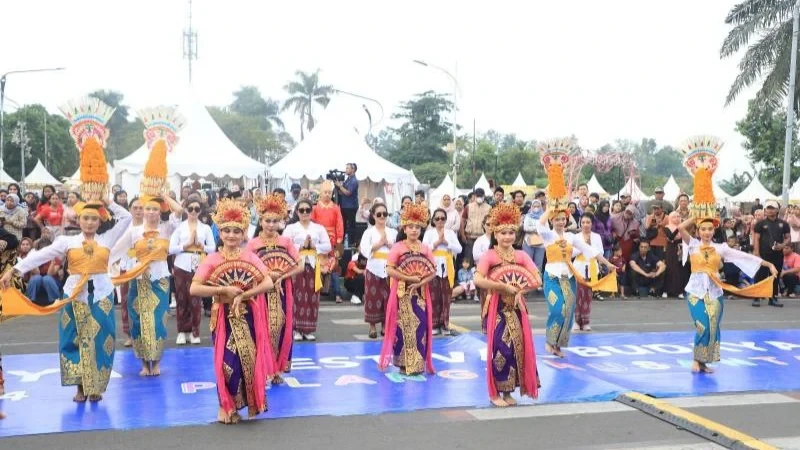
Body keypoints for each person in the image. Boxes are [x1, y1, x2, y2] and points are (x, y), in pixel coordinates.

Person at [0, 96, 132, 403]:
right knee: (73, 340)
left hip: (100, 294)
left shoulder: (107, 240)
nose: (88, 222)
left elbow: (125, 217)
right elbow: (40, 255)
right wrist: (14, 269)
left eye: (92, 217)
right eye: (84, 217)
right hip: (73, 293)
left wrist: (103, 197)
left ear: (98, 219)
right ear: (78, 219)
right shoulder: (67, 242)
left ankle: (95, 385)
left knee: (101, 339)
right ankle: (79, 387)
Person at [677, 135, 778, 373]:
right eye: (703, 228)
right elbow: (680, 228)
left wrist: (768, 264)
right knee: (702, 324)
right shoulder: (691, 244)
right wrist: (698, 213)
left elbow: (744, 257)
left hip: (715, 290)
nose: (706, 232)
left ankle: (704, 361)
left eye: (710, 228)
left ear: (715, 230)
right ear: (699, 230)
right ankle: (696, 358)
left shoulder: (721, 248)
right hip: (695, 290)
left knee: (714, 325)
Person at [110, 106, 185, 376]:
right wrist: (109, 270)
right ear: (141, 209)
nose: (150, 212)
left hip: (160, 279)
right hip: (138, 280)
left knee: (158, 321)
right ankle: (144, 363)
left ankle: (157, 363)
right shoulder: (134, 230)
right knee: (141, 321)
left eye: (154, 208)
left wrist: (163, 194)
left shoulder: (167, 227)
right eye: (147, 208)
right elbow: (115, 252)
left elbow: (180, 212)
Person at [189, 198, 275, 424]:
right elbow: (194, 288)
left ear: (244, 233)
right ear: (220, 232)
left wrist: (245, 294)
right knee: (227, 363)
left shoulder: (250, 257)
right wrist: (223, 289)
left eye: (236, 231)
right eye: (226, 230)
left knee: (249, 360)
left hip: (248, 316)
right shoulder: (212, 259)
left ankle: (244, 405)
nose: (231, 236)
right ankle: (224, 405)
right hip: (224, 317)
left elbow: (267, 283)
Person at [536, 138, 617, 358]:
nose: (560, 222)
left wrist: (608, 264)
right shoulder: (548, 235)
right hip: (552, 277)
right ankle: (549, 341)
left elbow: (592, 252)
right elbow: (539, 224)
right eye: (557, 219)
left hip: (569, 277)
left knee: (568, 311)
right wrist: (551, 206)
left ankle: (558, 345)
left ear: (567, 220)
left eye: (563, 219)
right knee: (557, 308)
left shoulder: (573, 237)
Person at [474, 203, 542, 407]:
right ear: (495, 233)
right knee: (500, 349)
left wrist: (522, 289)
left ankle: (508, 392)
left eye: (511, 232)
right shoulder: (489, 255)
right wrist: (501, 286)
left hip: (516, 308)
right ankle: (495, 393)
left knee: (516, 349)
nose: (508, 237)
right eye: (503, 232)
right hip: (496, 308)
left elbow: (536, 279)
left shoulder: (521, 255)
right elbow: (478, 280)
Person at [248, 193, 304, 383]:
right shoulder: (253, 244)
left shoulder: (286, 242)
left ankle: (277, 369)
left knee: (280, 327)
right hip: (261, 292)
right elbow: (247, 268)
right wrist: (266, 277)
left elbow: (299, 265)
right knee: (261, 328)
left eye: (275, 221)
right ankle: (263, 369)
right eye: (267, 221)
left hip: (282, 291)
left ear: (281, 222)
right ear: (261, 221)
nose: (271, 225)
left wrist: (281, 276)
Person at [378, 203, 437, 376]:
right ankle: (403, 363)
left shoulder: (425, 248)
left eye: (417, 227)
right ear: (404, 228)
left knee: (420, 327)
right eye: (411, 227)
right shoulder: (398, 247)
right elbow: (389, 269)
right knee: (402, 328)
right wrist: (409, 278)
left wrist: (419, 282)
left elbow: (432, 270)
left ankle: (417, 364)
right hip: (402, 293)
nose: (414, 230)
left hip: (419, 294)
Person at [169, 197, 216, 345]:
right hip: (182, 263)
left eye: (196, 209)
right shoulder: (179, 227)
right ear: (186, 210)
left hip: (198, 264)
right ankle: (182, 331)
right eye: (190, 209)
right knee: (182, 299)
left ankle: (195, 331)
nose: (193, 212)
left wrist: (202, 246)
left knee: (196, 300)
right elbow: (171, 249)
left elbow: (213, 248)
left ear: (200, 210)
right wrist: (186, 245)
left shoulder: (206, 228)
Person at [284, 199, 331, 341]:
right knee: (296, 296)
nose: (305, 213)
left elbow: (328, 246)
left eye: (307, 210)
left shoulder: (318, 228)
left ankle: (309, 329)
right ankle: (296, 329)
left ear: (311, 211)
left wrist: (314, 247)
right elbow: (285, 245)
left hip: (313, 264)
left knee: (312, 297)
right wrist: (301, 247)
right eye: (302, 210)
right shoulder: (291, 228)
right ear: (297, 212)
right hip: (297, 265)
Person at [359, 202, 397, 339]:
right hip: (373, 267)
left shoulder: (393, 232)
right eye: (379, 214)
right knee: (372, 297)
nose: (382, 216)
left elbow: (398, 250)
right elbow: (364, 249)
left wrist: (389, 244)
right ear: (373, 216)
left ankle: (385, 326)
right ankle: (372, 326)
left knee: (389, 298)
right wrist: (379, 244)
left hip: (389, 268)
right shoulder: (368, 232)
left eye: (384, 214)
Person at [423, 208, 462, 335]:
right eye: (437, 218)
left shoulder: (450, 233)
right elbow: (423, 249)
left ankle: (444, 324)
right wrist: (436, 243)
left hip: (447, 267)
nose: (440, 220)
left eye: (442, 218)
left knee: (446, 297)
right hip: (433, 268)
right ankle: (434, 324)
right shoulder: (429, 233)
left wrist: (446, 242)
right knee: (434, 297)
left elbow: (459, 249)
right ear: (433, 220)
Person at [752, 199, 790, 307]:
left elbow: (788, 238)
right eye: (767, 208)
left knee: (775, 276)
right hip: (763, 255)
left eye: (772, 208)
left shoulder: (784, 224)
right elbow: (756, 239)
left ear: (777, 210)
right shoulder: (760, 224)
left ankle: (772, 298)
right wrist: (757, 253)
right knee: (760, 276)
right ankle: (756, 298)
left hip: (778, 254)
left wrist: (782, 245)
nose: (769, 210)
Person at [118, 197, 143, 347]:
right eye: (135, 207)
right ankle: (129, 334)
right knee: (126, 300)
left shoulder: (149, 227)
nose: (138, 210)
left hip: (143, 267)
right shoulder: (123, 227)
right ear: (130, 209)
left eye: (141, 207)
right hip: (126, 266)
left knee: (142, 301)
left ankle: (142, 332)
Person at [573, 214, 604, 331]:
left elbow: (600, 252)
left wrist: (589, 247)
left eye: (588, 222)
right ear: (580, 223)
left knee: (587, 296)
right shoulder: (575, 237)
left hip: (591, 267)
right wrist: (583, 246)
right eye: (583, 222)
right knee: (577, 296)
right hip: (578, 268)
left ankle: (586, 321)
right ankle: (576, 321)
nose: (585, 225)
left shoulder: (596, 237)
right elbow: (572, 253)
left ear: (592, 224)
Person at [460, 188, 492, 263]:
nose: (479, 198)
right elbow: (463, 221)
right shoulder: (468, 206)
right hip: (470, 237)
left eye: (481, 196)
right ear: (474, 196)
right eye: (478, 196)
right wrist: (462, 234)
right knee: (468, 259)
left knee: (483, 259)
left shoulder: (489, 208)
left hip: (483, 237)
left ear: (484, 196)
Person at [663, 211, 689, 298]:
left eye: (678, 216)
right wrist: (679, 228)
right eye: (674, 217)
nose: (677, 218)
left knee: (680, 269)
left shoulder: (684, 228)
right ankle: (666, 290)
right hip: (671, 249)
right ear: (670, 218)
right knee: (670, 268)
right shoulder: (667, 227)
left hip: (682, 249)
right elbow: (671, 237)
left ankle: (680, 291)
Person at [336, 163, 359, 239]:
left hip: (351, 206)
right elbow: (342, 191)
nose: (346, 170)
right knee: (343, 225)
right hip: (344, 205)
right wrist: (338, 187)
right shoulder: (348, 179)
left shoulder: (354, 180)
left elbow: (348, 192)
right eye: (346, 168)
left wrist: (340, 186)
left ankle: (352, 242)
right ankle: (343, 241)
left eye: (348, 168)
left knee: (351, 225)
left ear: (353, 170)